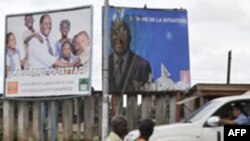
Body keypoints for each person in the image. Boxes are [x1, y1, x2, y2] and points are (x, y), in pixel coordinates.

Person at [109, 20, 152, 93]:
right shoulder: (104, 64)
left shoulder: (142, 65)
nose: (120, 39)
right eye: (115, 33)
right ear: (110, 38)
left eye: (123, 34)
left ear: (130, 38)